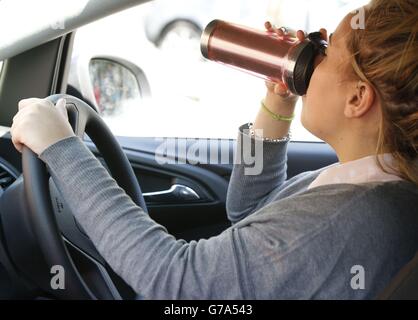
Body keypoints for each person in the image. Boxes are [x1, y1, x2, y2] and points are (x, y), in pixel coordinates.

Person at [10, 0, 418, 299]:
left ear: (357, 98)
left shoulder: (353, 215)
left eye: (327, 50)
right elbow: (249, 211)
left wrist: (63, 148)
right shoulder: (367, 181)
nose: (312, 55)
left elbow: (177, 282)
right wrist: (278, 102)